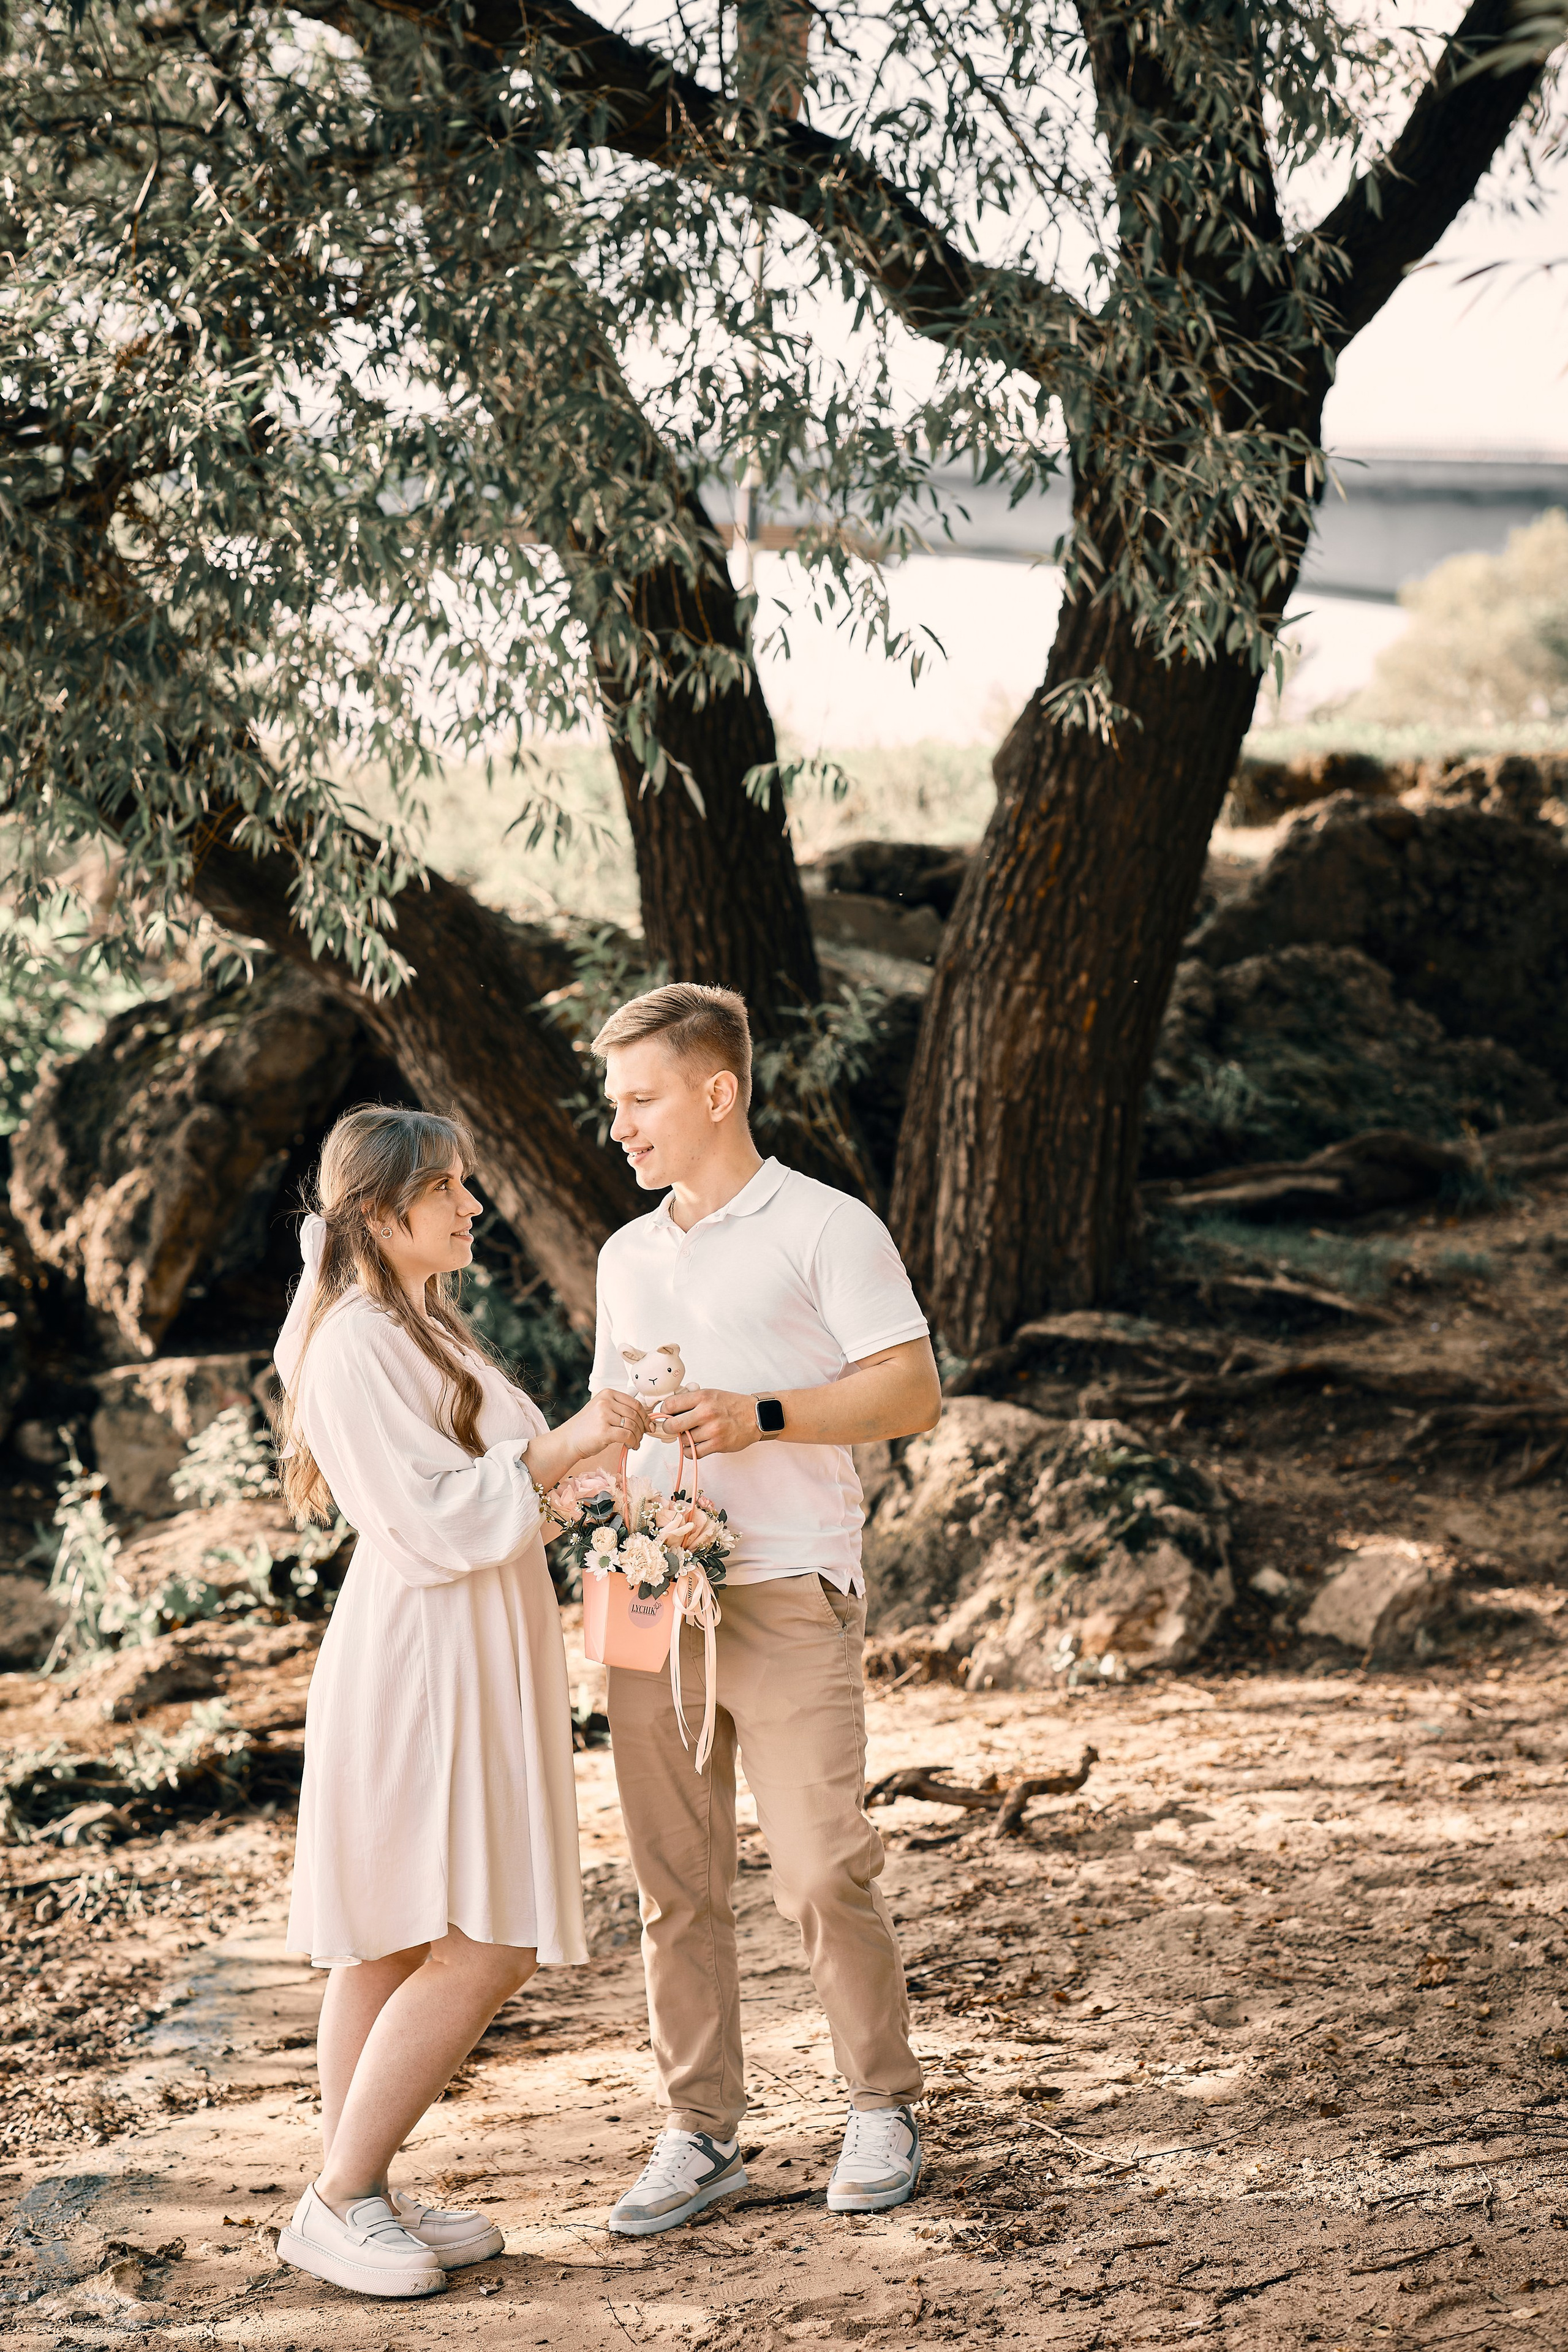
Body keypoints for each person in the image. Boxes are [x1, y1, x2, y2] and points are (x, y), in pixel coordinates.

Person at [271, 1106, 653, 2300]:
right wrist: (569, 1448)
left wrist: (617, 1494)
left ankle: (359, 2183)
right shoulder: (353, 1344)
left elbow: (505, 1489)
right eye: (447, 1188)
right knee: (481, 1936)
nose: (470, 1207)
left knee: (395, 1933)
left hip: (470, 1639)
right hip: (419, 1659)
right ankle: (337, 2199)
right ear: (383, 1212)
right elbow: (435, 1518)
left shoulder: (423, 1325)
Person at [586, 983, 943, 2235]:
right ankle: (696, 2132)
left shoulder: (824, 1226)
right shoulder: (623, 1256)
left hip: (789, 1582)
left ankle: (878, 2102)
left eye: (637, 1099)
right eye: (611, 1102)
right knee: (669, 1882)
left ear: (714, 1090)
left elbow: (910, 1391)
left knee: (816, 1866)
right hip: (641, 1592)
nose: (617, 1126)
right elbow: (604, 1426)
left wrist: (764, 1414)